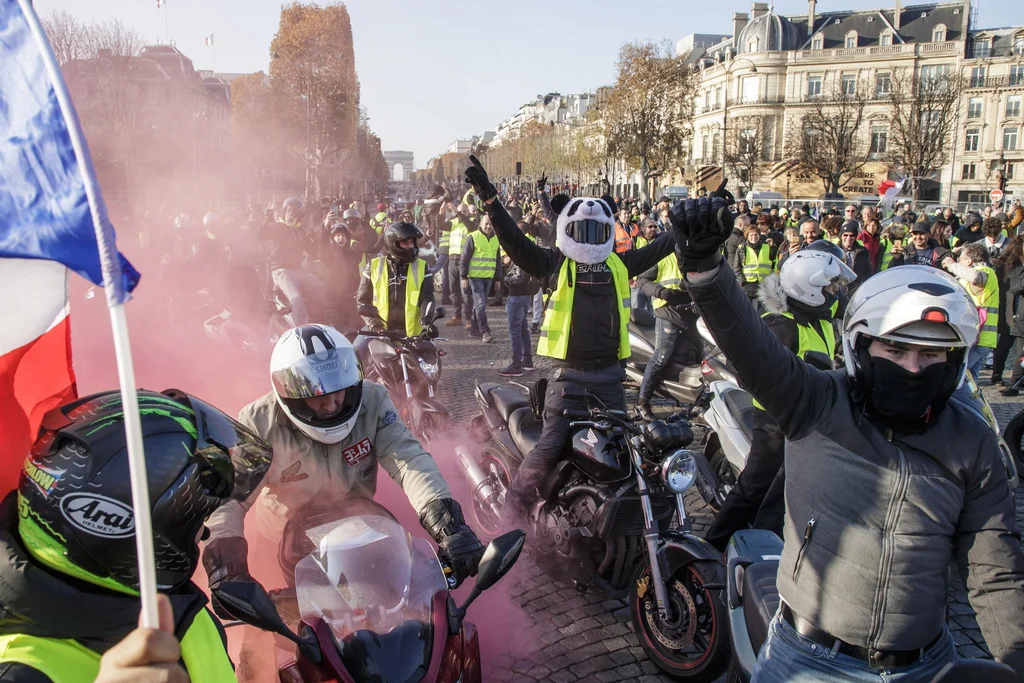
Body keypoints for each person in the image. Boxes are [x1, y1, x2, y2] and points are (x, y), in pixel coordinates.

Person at [671, 194, 1024, 682]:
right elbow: (750, 344)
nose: (912, 369)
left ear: (955, 363)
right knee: (753, 491)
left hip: (927, 665)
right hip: (807, 659)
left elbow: (995, 571)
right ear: (861, 345)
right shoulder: (816, 401)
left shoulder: (974, 442)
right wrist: (706, 270)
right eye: (895, 349)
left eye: (931, 356)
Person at [203, 324, 485, 679]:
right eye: (317, 395)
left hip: (361, 535)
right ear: (289, 394)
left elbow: (409, 459)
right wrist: (225, 564)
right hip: (281, 546)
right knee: (259, 639)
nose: (332, 401)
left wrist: (449, 524)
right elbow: (230, 496)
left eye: (340, 390)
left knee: (395, 623)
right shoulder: (258, 422)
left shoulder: (373, 400)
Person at [0, 388, 272, 683]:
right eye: (194, 522)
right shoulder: (20, 670)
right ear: (108, 521)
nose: (203, 534)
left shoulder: (179, 613)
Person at [464, 156, 676, 526]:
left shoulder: (619, 264)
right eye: (584, 230)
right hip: (569, 379)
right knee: (546, 449)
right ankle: (509, 517)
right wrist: (490, 200)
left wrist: (687, 228)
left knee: (621, 456)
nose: (591, 238)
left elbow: (659, 248)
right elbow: (515, 244)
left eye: (597, 230)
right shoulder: (555, 263)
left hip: (611, 378)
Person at [703, 243, 854, 549]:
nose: (836, 292)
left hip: (811, 419)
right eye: (830, 286)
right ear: (809, 289)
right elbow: (746, 365)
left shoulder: (822, 319)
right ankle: (711, 549)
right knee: (755, 488)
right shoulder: (781, 327)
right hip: (776, 422)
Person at [634, 249, 702, 421]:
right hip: (667, 310)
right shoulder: (663, 257)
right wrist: (661, 292)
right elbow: (641, 279)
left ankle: (700, 401)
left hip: (690, 313)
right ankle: (642, 403)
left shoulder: (695, 255)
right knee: (661, 357)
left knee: (700, 356)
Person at [256, 196, 324, 327]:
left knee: (320, 288)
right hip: (281, 270)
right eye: (288, 211)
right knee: (296, 297)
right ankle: (301, 328)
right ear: (284, 212)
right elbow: (260, 235)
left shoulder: (301, 231)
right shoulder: (279, 227)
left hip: (299, 269)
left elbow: (314, 252)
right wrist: (264, 222)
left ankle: (321, 321)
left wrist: (314, 239)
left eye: (294, 212)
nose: (290, 214)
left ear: (300, 216)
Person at [943, 242, 999, 381]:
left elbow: (976, 278)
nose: (959, 262)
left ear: (969, 261)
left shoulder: (984, 270)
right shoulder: (979, 272)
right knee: (969, 381)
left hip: (979, 338)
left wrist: (952, 264)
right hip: (979, 337)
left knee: (958, 376)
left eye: (961, 259)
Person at [499, 250, 539, 377]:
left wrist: (506, 280)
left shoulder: (520, 256)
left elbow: (519, 278)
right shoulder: (526, 254)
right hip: (524, 296)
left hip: (517, 297)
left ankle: (516, 365)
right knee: (523, 329)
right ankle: (527, 360)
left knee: (515, 331)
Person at [460, 214, 500, 342]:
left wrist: (498, 279)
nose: (488, 226)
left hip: (488, 277)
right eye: (486, 224)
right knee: (481, 305)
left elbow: (497, 261)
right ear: (481, 224)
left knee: (479, 305)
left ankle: (474, 329)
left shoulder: (495, 239)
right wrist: (463, 276)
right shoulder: (473, 237)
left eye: (490, 224)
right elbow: (464, 258)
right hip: (475, 277)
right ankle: (485, 331)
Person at [998, 235, 1024, 396]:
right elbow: (1016, 288)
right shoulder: (1014, 266)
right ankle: (1015, 383)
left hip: (1018, 315)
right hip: (1018, 316)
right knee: (1019, 352)